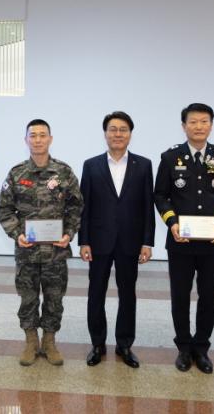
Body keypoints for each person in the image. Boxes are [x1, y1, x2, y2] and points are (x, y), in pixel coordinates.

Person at [154, 103, 214, 374]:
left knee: (208, 296)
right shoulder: (170, 158)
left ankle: (201, 348)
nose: (198, 126)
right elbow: (161, 195)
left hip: (213, 244)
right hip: (180, 243)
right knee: (180, 295)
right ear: (184, 126)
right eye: (193, 122)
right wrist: (172, 222)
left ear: (211, 125)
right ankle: (183, 347)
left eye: (204, 121)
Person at [0, 119, 83, 366]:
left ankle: (50, 342)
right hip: (27, 252)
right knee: (28, 298)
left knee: (55, 298)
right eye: (32, 135)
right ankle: (31, 341)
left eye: (42, 135)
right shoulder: (16, 173)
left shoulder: (64, 172)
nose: (37, 140)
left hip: (56, 252)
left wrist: (69, 233)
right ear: (26, 140)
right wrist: (17, 234)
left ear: (50, 139)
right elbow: (4, 208)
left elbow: (76, 206)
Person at [78, 111, 155, 368]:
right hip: (99, 241)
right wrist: (84, 241)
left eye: (123, 129)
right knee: (96, 293)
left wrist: (147, 242)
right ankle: (97, 344)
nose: (118, 134)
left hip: (130, 241)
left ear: (130, 134)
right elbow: (85, 206)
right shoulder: (91, 165)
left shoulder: (143, 165)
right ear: (105, 133)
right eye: (113, 129)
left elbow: (147, 206)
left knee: (127, 294)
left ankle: (124, 344)